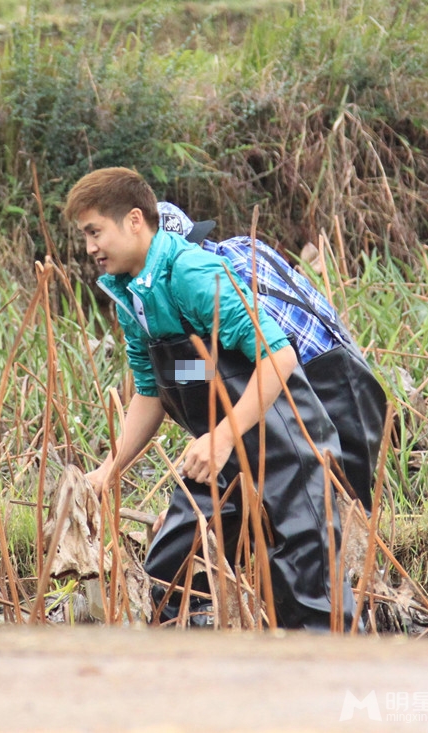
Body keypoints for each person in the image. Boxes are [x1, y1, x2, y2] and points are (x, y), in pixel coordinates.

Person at [65, 166, 354, 630]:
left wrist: (220, 439)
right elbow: (155, 389)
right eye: (85, 236)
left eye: (94, 232)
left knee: (310, 600)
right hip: (220, 460)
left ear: (135, 220)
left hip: (287, 452)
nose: (89, 248)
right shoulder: (132, 295)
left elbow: (278, 356)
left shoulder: (192, 274)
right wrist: (110, 469)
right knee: (168, 572)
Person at [156, 201, 387, 511]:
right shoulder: (239, 246)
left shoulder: (206, 280)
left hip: (325, 378)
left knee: (341, 507)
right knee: (319, 510)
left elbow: (235, 364)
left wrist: (169, 378)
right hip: (340, 367)